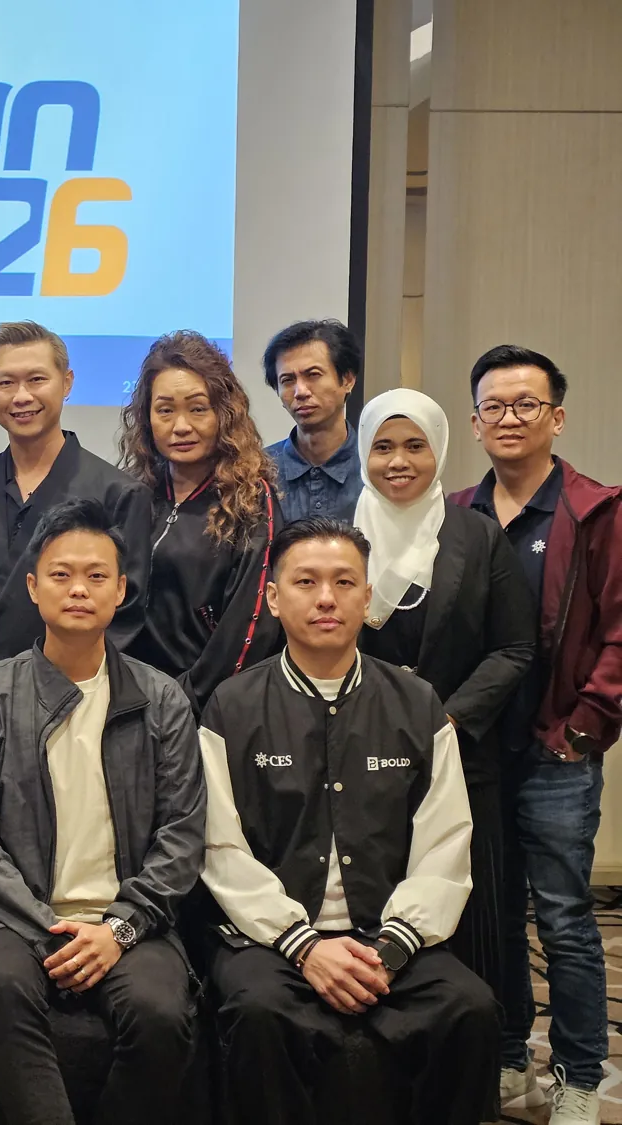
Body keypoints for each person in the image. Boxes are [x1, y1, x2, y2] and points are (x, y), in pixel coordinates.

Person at [199, 517, 500, 1125]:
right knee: (258, 1013)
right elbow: (220, 849)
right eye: (305, 582)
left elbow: (445, 843)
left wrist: (390, 948)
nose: (326, 598)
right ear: (274, 598)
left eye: (344, 582)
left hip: (391, 935)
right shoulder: (231, 707)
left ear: (368, 597)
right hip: (271, 940)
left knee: (470, 1008)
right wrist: (303, 945)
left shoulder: (418, 704)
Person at [0, 497, 204, 1124]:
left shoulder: (162, 698)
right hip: (13, 918)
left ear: (121, 590)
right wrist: (47, 929)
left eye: (96, 576)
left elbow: (182, 835)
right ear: (34, 588)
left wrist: (118, 930)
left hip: (130, 921)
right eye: (61, 575)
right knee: (2, 987)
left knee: (162, 1014)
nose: (79, 589)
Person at [450, 346, 620, 1125]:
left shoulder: (598, 511)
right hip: (480, 752)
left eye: (526, 403)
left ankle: (579, 1075)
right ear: (474, 421)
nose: (509, 417)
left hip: (557, 750)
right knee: (495, 912)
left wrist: (584, 728)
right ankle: (510, 1052)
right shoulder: (459, 514)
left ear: (557, 416)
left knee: (564, 919)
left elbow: (618, 633)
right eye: (494, 405)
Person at [353, 388, 534, 1007]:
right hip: (358, 757)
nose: (398, 461)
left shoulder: (477, 537)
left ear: (440, 451)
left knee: (470, 917)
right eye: (382, 447)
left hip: (460, 755)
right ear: (363, 453)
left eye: (415, 446)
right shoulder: (338, 538)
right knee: (367, 911)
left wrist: (447, 718)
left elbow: (514, 647)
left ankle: (475, 1056)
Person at [0, 320, 151, 716]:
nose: (22, 396)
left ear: (66, 383)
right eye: (6, 383)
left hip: (75, 706)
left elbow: (124, 619)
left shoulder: (119, 494)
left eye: (36, 379)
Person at [119, 330, 282, 712]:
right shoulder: (134, 494)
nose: (181, 426)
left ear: (223, 414)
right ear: (147, 417)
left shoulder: (250, 498)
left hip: (208, 705)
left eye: (197, 408)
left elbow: (250, 627)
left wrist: (186, 700)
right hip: (130, 698)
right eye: (165, 410)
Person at [262, 320, 363, 523]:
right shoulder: (259, 470)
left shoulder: (373, 467)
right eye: (287, 380)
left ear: (347, 380)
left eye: (313, 375)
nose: (300, 392)